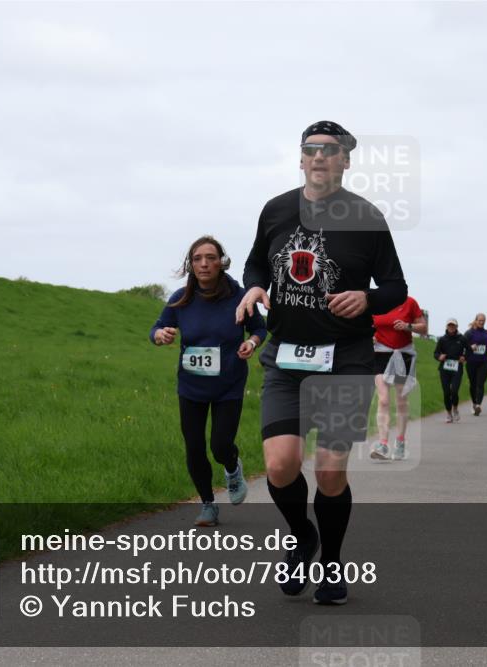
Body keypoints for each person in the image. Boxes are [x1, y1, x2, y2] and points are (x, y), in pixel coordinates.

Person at [236, 120, 407, 605]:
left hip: (346, 359)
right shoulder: (276, 209)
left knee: (331, 472)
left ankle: (331, 563)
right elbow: (254, 263)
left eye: (329, 151)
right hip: (286, 360)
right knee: (281, 465)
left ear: (345, 160)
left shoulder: (367, 217)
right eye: (310, 149)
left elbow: (396, 287)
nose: (318, 157)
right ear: (301, 157)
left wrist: (366, 298)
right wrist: (254, 286)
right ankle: (301, 535)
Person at [150, 236, 267, 527]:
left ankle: (232, 468)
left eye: (210, 257)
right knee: (194, 446)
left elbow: (259, 329)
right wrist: (160, 336)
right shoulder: (181, 299)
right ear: (191, 264)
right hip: (191, 386)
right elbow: (157, 328)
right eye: (198, 258)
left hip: (229, 383)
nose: (204, 263)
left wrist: (251, 343)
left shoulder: (240, 296)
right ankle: (207, 505)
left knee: (220, 444)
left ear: (221, 262)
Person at [371, 296, 427, 461]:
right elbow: (366, 327)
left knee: (401, 401)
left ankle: (400, 442)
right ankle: (382, 444)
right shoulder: (375, 302)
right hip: (380, 354)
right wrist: (371, 336)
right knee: (383, 400)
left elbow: (423, 328)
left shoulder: (410, 303)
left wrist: (408, 326)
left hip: (403, 354)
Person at [434, 318, 468, 423]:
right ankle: (449, 413)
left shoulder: (462, 338)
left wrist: (464, 357)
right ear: (447, 327)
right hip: (445, 368)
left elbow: (469, 351)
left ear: (456, 327)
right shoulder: (442, 339)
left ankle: (455, 408)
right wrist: (439, 357)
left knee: (454, 391)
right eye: (449, 325)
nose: (451, 327)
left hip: (457, 367)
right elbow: (435, 353)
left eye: (453, 326)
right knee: (446, 392)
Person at [463, 313, 487, 416]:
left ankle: (478, 405)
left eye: (483, 321)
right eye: (480, 320)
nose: (481, 322)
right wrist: (471, 347)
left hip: (483, 361)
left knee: (480, 383)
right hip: (471, 361)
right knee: (473, 384)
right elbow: (463, 346)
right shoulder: (469, 333)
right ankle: (474, 404)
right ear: (475, 320)